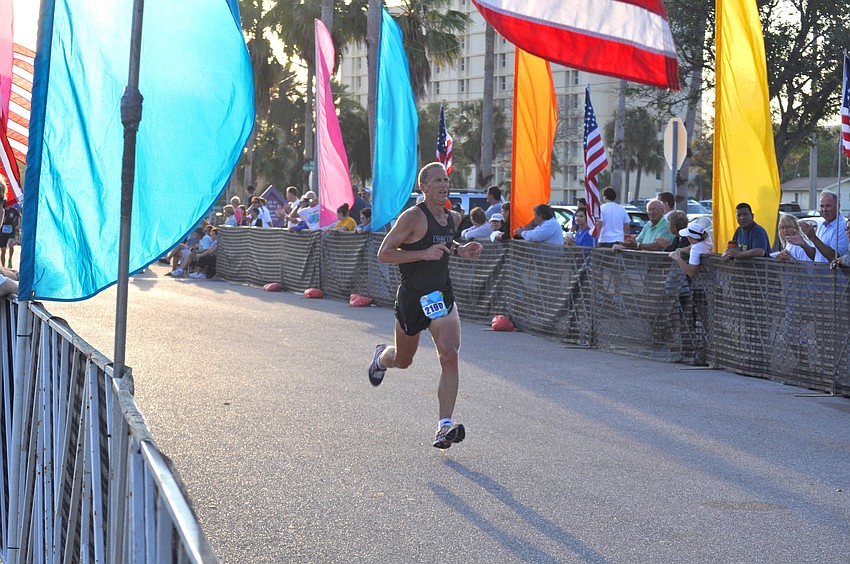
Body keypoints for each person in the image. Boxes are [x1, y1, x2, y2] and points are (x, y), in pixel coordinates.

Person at [367, 162, 482, 450]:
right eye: (437, 180)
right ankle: (381, 358)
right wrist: (422, 253)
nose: (444, 184)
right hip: (412, 299)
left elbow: (445, 242)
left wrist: (460, 250)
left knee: (450, 355)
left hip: (440, 297)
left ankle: (444, 427)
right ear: (424, 187)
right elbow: (384, 254)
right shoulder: (411, 218)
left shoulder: (452, 217)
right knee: (403, 360)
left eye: (446, 179)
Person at [791, 191, 848, 263]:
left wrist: (813, 238)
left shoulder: (843, 226)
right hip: (819, 273)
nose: (824, 210)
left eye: (828, 206)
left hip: (833, 274)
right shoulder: (823, 225)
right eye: (822, 206)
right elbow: (816, 255)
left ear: (838, 206)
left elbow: (834, 257)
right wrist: (803, 244)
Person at [0, 200, 20, 268]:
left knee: (11, 244)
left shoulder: (14, 210)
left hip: (11, 230)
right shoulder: (1, 210)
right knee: (3, 250)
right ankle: (3, 266)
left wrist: (19, 225)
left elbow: (20, 216)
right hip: (2, 232)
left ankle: (10, 259)